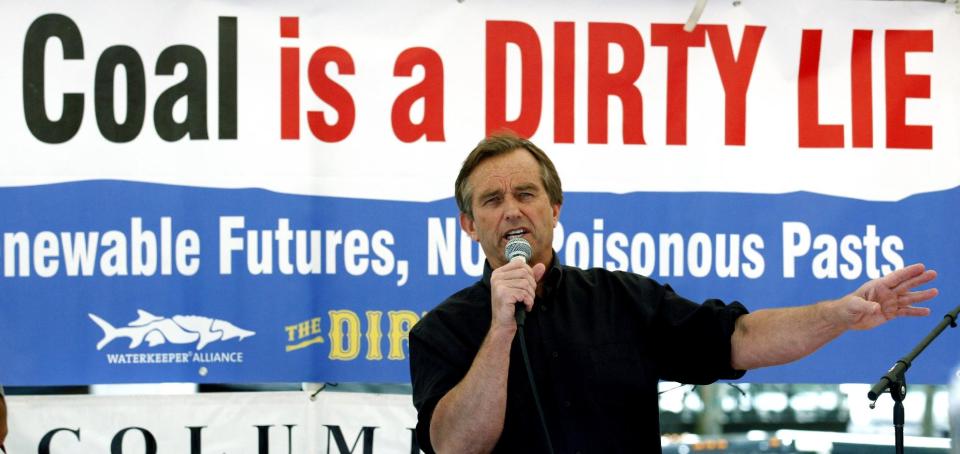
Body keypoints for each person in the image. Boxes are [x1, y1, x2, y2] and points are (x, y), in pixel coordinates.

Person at [408, 134, 939, 454]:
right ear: (469, 225)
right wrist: (501, 327)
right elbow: (456, 446)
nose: (512, 210)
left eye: (526, 193)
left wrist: (837, 314)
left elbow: (739, 338)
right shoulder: (440, 331)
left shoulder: (620, 300)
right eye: (493, 200)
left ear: (555, 207)